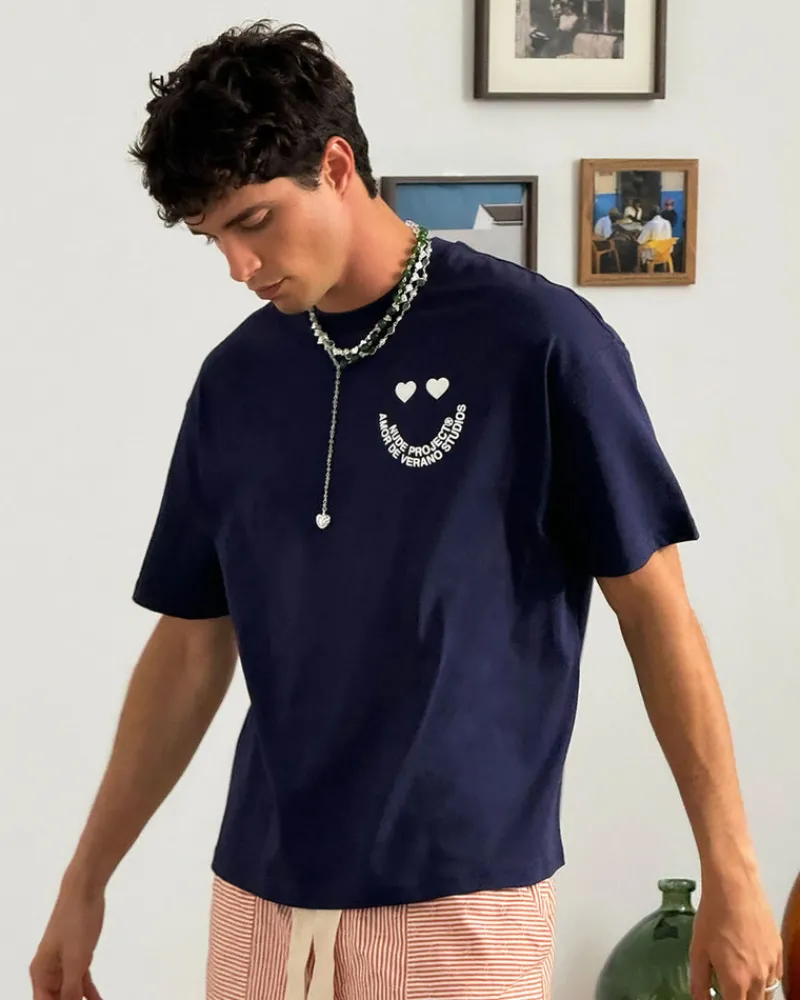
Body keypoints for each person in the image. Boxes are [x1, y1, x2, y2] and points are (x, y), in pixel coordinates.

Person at [30, 19, 782, 1000]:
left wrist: (731, 868)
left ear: (337, 166)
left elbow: (655, 610)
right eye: (214, 237)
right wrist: (85, 878)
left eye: (254, 221)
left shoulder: (538, 343)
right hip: (260, 895)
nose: (238, 267)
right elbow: (189, 642)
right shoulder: (236, 380)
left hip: (461, 900)